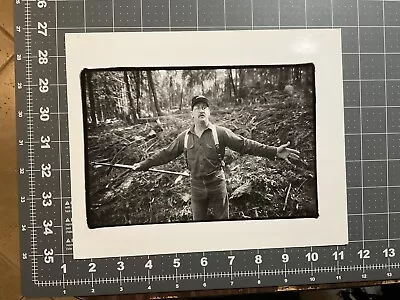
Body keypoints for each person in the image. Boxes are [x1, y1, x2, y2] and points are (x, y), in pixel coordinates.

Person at [132, 95, 300, 221]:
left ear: (209, 112)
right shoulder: (184, 137)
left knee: (223, 224)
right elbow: (166, 153)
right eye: (197, 107)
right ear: (192, 114)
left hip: (217, 185)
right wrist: (144, 164)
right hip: (196, 187)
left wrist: (274, 151)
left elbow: (245, 145)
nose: (201, 110)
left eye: (204, 107)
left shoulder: (220, 133)